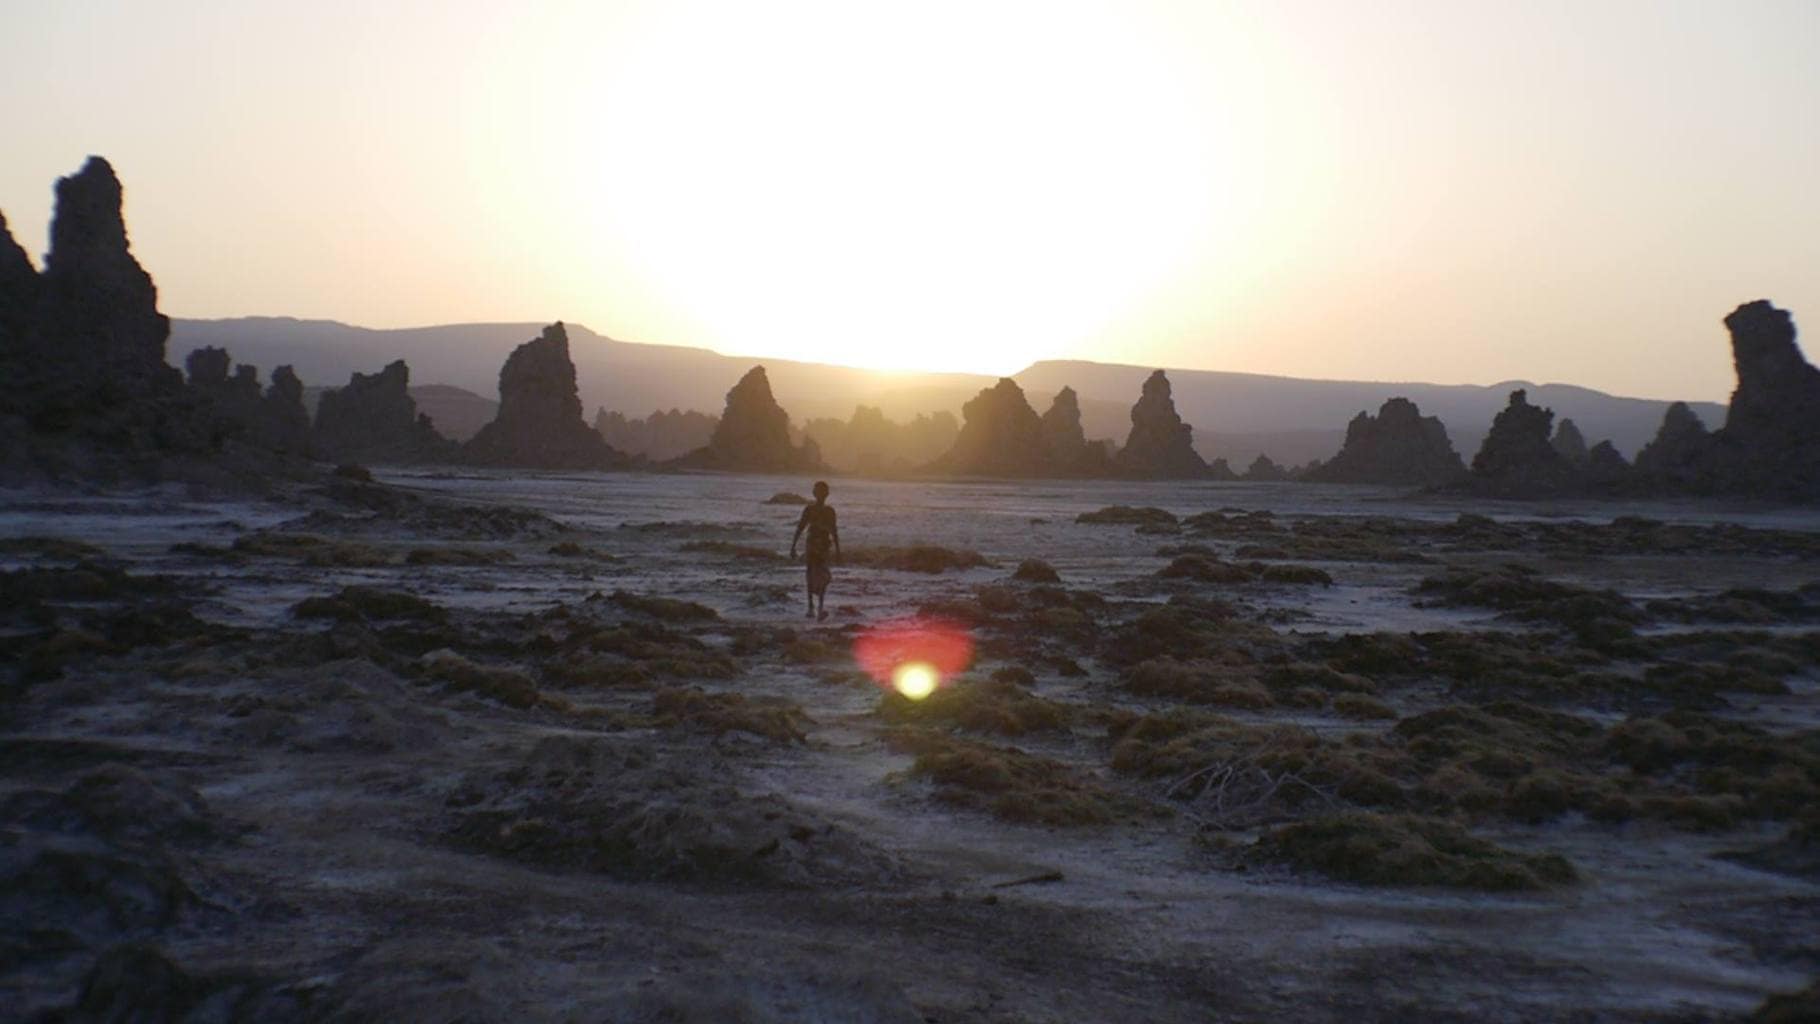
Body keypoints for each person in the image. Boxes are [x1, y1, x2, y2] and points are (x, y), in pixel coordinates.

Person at [789, 480, 840, 620]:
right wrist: (793, 546)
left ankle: (814, 608)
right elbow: (801, 527)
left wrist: (793, 546)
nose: (821, 494)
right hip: (817, 545)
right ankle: (816, 607)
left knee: (816, 574)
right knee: (816, 574)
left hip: (819, 545)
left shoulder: (824, 510)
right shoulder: (815, 510)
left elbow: (833, 531)